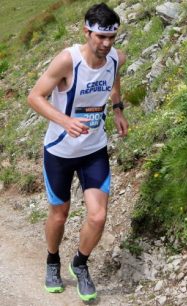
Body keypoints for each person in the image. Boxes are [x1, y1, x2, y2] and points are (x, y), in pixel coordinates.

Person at [28, 2, 128, 302]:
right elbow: (34, 96)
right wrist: (65, 120)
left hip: (94, 150)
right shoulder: (67, 61)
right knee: (60, 214)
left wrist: (119, 108)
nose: (106, 44)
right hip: (59, 151)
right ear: (87, 32)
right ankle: (52, 261)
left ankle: (80, 264)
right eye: (100, 37)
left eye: (111, 37)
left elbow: (115, 77)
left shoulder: (115, 58)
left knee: (98, 217)